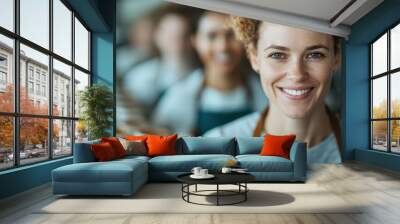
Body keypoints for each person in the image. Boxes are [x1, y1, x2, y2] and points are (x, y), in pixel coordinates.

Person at [205, 16, 342, 164]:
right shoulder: (215, 148)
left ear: (336, 58)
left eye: (315, 55)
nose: (297, 75)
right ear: (254, 57)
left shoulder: (362, 143)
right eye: (277, 55)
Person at [152, 12, 268, 136]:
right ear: (195, 41)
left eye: (231, 35)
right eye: (211, 36)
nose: (223, 47)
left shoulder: (263, 94)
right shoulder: (180, 96)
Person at [123, 4, 199, 114]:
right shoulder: (139, 75)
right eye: (170, 34)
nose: (176, 42)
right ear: (157, 36)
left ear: (193, 40)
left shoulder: (199, 80)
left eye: (182, 35)